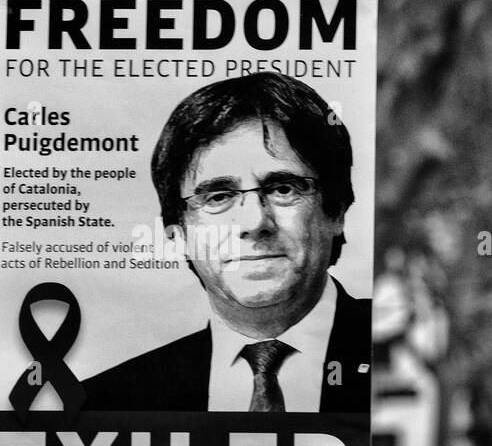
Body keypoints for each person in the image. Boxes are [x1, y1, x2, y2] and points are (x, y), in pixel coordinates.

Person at [82, 71, 371, 413]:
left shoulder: (391, 352)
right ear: (178, 235)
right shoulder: (108, 404)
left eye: (283, 189)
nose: (254, 222)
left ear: (336, 211)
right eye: (219, 197)